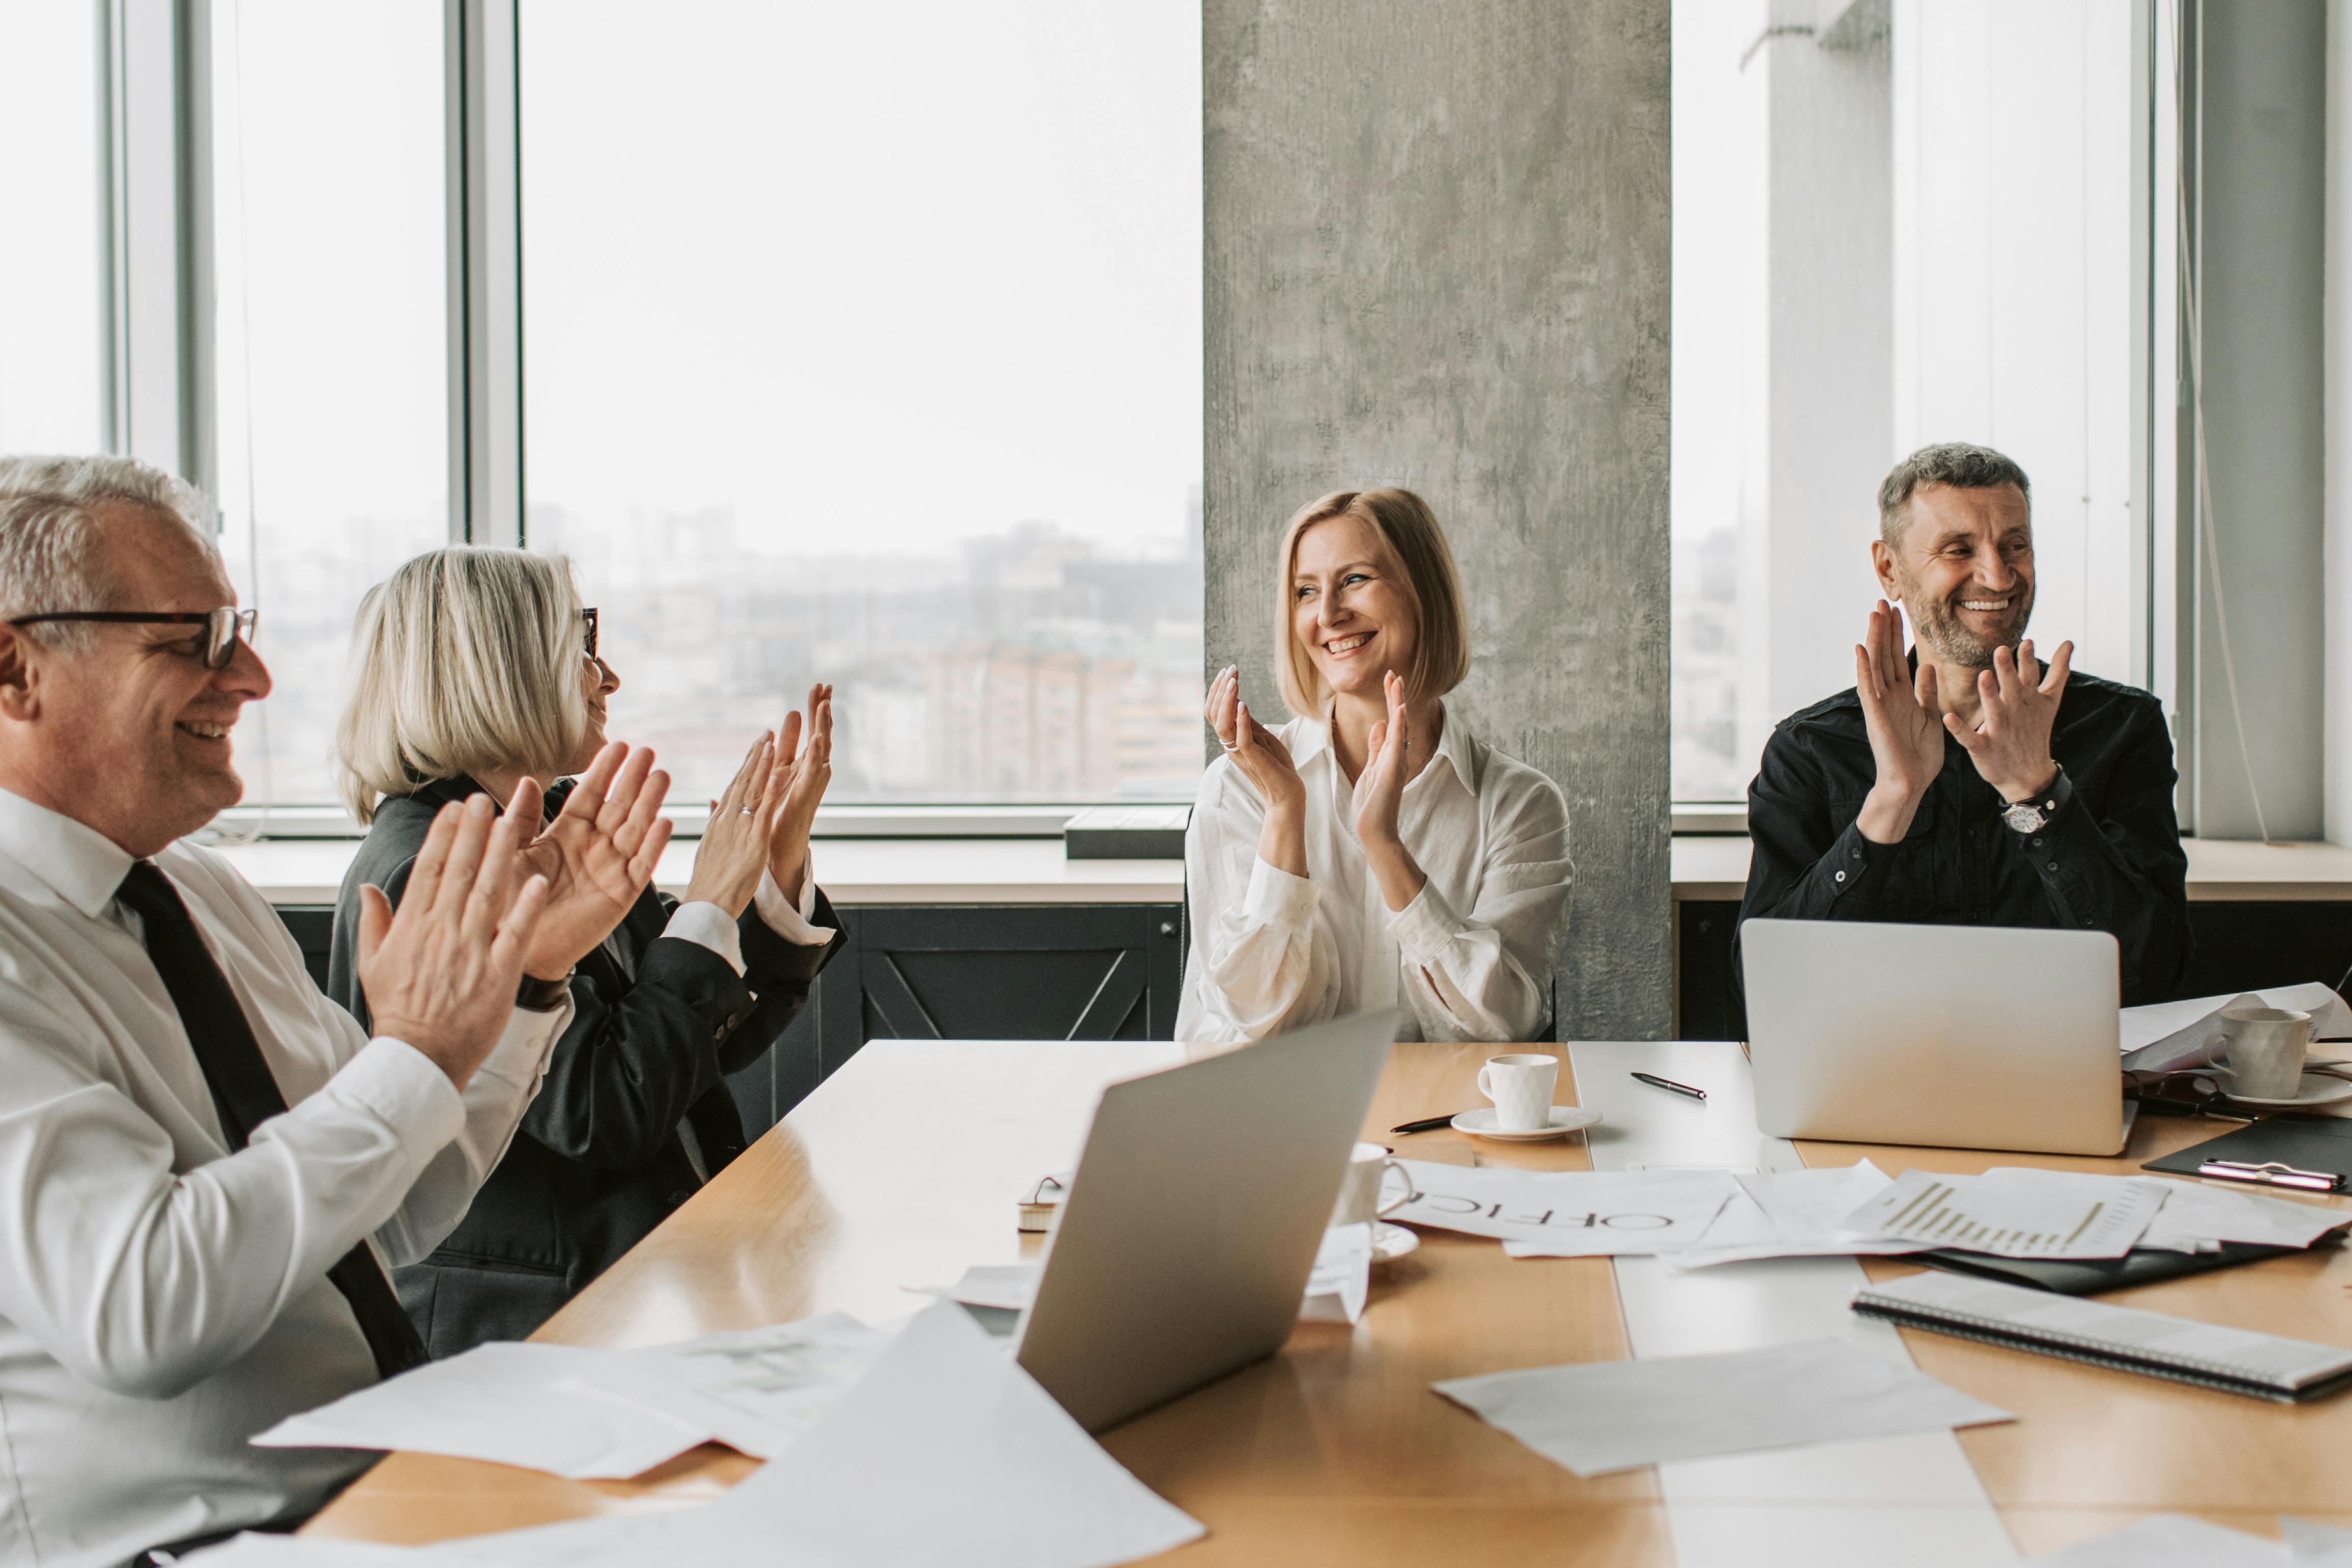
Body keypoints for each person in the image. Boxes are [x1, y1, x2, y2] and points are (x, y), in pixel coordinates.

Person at [0, 456, 675, 1566]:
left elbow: (394, 1210)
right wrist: (410, 1056)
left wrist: (530, 985)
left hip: (382, 1491)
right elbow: (140, 1306)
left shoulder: (205, 894)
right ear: (16, 671)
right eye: (195, 641)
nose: (254, 678)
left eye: (243, 630)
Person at [327, 547, 845, 1355]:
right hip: (530, 1337)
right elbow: (607, 1111)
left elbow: (692, 1046)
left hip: (648, 1291)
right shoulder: (429, 865)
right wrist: (709, 902)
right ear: (498, 669)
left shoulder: (558, 819)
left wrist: (763, 877)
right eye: (581, 645)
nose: (607, 679)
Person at [1738, 442, 2190, 1004]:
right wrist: (1893, 799)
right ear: (1889, 569)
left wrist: (2040, 795)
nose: (1999, 578)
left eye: (2015, 546)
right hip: (1872, 1079)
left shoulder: (2123, 727)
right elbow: (1765, 992)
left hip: (2063, 1081)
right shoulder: (1810, 748)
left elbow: (2157, 969)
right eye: (1958, 549)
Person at [1177, 488, 1572, 1044]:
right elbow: (1256, 1023)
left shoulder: (1520, 804)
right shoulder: (1236, 790)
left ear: (1424, 593)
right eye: (1306, 592)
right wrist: (1286, 815)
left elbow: (1503, 1027)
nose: (1329, 614)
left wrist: (1385, 847)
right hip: (1276, 1123)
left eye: (1355, 580)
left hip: (1442, 1124)